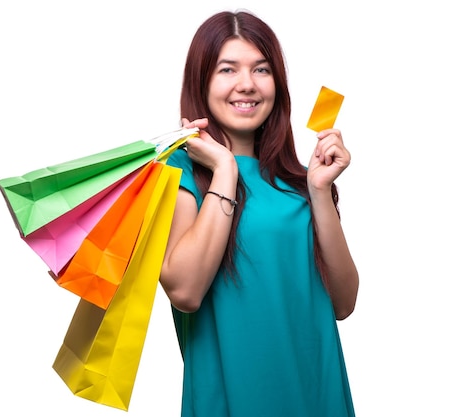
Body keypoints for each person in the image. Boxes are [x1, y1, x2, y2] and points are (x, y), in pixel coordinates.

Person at [160, 9, 359, 417]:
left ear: (277, 85)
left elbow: (343, 301)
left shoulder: (304, 181)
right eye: (227, 69)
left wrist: (319, 191)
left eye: (261, 70)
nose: (246, 84)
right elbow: (184, 292)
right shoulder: (178, 173)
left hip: (318, 398)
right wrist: (226, 170)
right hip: (231, 401)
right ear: (202, 82)